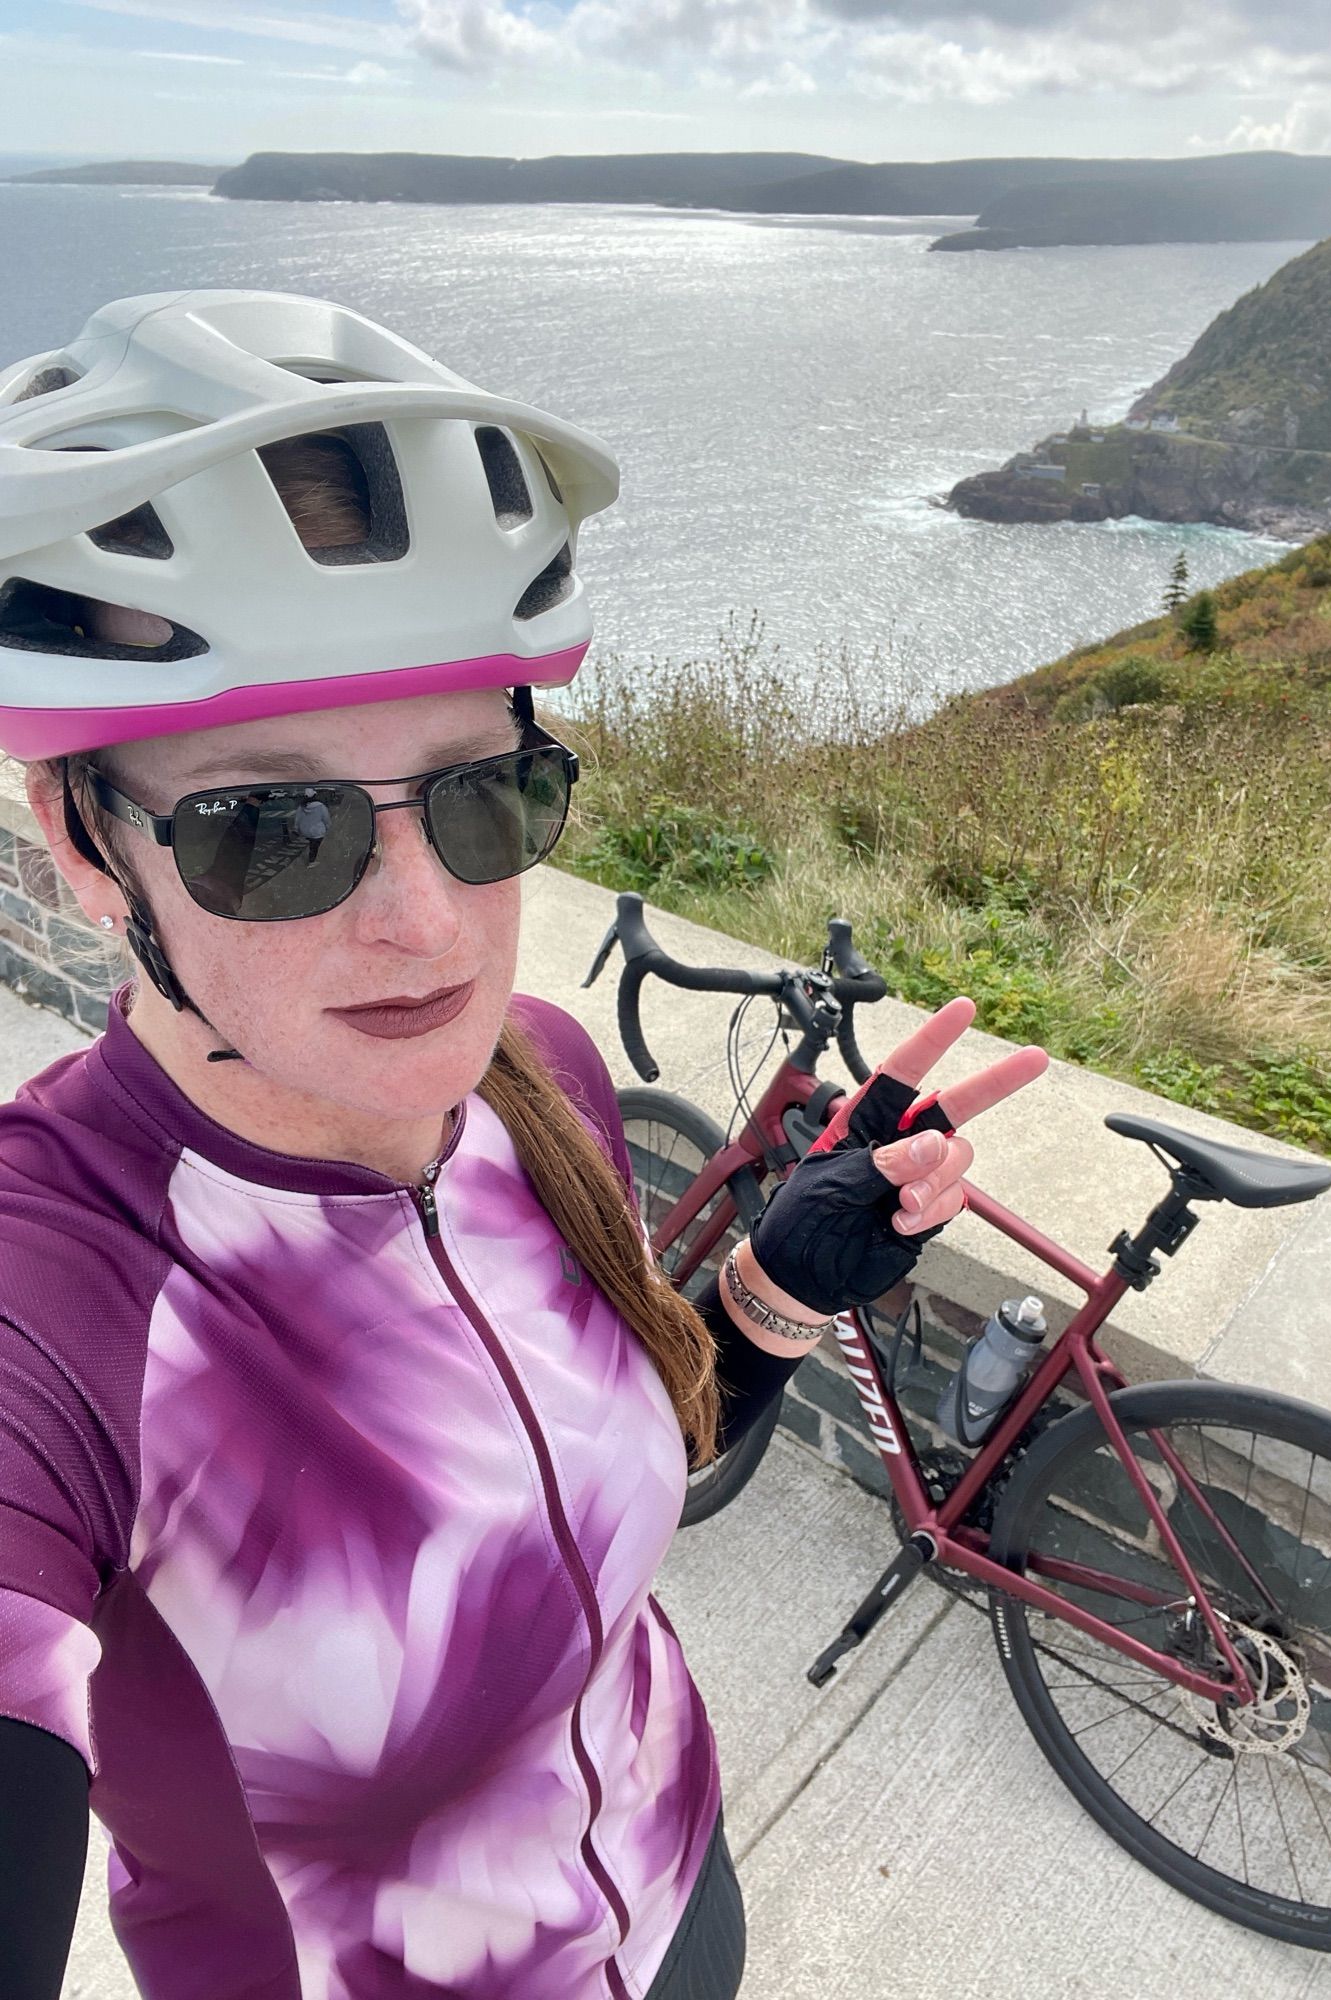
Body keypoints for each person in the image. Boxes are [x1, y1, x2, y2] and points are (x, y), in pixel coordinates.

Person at [0, 292, 1003, 2000]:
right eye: (273, 829)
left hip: (683, 1910)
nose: (428, 930)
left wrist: (765, 1295)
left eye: (484, 798)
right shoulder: (57, 1299)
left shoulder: (535, 1077)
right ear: (88, 848)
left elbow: (585, 1507)